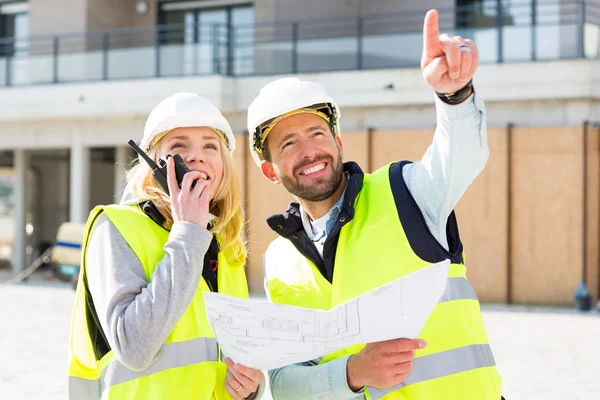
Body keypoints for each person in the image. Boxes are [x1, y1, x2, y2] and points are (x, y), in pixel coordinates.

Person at [246, 9, 503, 400]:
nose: (310, 150)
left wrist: (454, 95)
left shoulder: (405, 194)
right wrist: (352, 373)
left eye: (317, 132)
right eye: (289, 143)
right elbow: (285, 384)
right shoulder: (280, 262)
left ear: (338, 144)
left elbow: (460, 156)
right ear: (269, 170)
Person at [68, 93, 264, 400]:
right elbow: (133, 347)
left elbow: (231, 361)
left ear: (223, 166)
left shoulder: (226, 249)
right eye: (179, 146)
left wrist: (250, 387)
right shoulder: (116, 228)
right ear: (152, 165)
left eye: (210, 146)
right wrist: (188, 232)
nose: (197, 156)